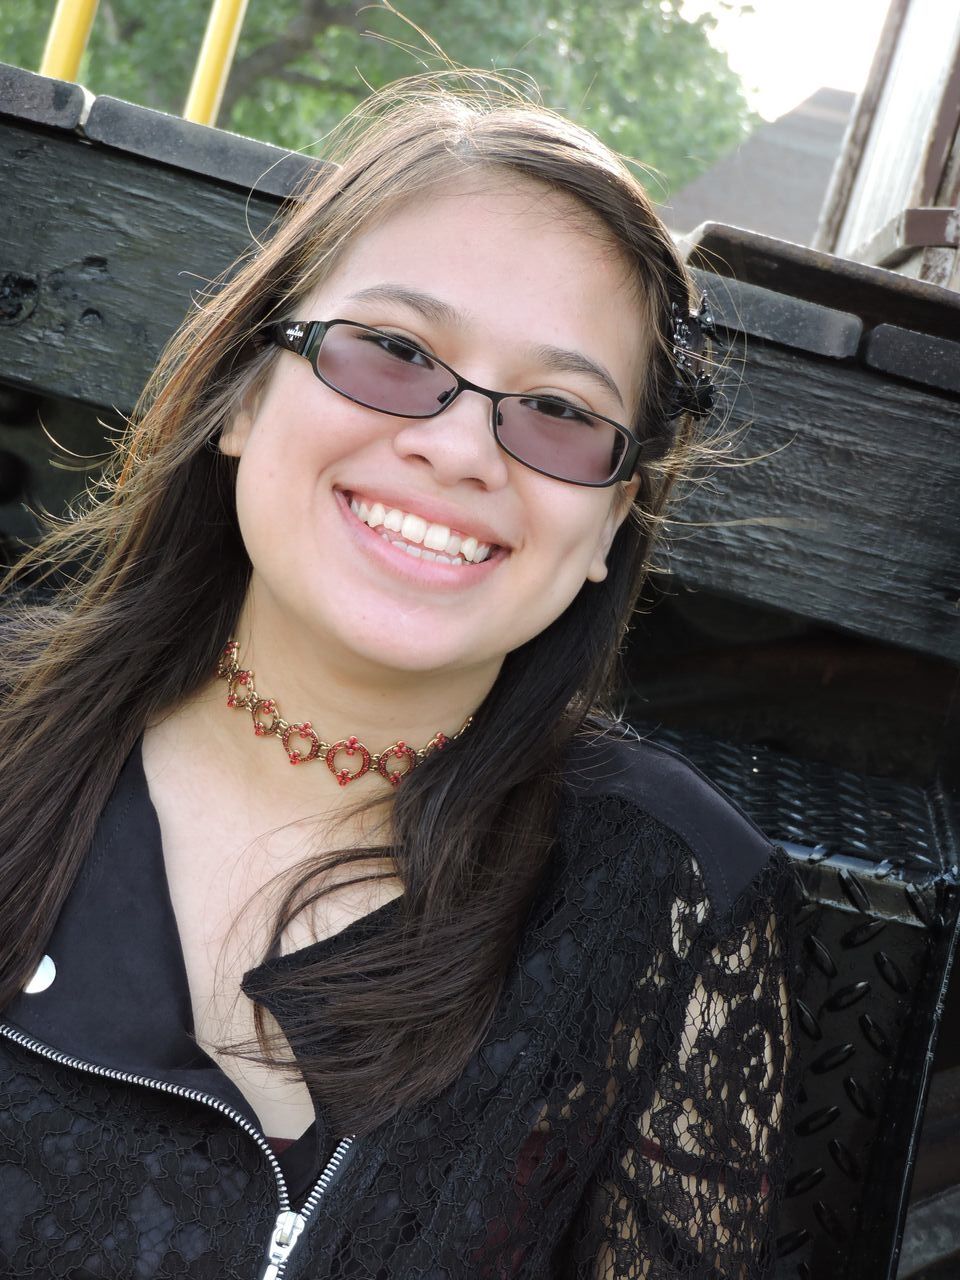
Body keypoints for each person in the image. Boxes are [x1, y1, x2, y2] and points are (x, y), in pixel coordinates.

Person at [0, 73, 795, 1279]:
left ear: (607, 524)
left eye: (559, 410)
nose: (461, 446)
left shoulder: (675, 891)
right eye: (392, 351)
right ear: (244, 394)